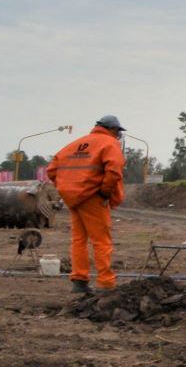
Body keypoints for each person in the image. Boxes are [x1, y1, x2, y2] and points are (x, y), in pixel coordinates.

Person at [45, 115, 127, 293]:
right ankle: (106, 283)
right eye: (118, 132)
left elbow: (51, 170)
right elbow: (114, 170)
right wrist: (105, 192)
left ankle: (79, 281)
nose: (118, 135)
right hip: (93, 198)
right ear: (112, 129)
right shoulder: (110, 143)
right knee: (101, 241)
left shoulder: (74, 145)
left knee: (79, 240)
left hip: (74, 200)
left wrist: (67, 187)